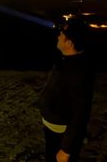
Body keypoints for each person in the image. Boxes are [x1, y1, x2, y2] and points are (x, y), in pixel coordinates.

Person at [39, 16, 95, 162]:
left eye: (62, 35)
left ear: (69, 43)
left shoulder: (77, 72)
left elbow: (81, 114)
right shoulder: (68, 61)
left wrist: (66, 149)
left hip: (60, 133)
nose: (58, 35)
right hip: (53, 127)